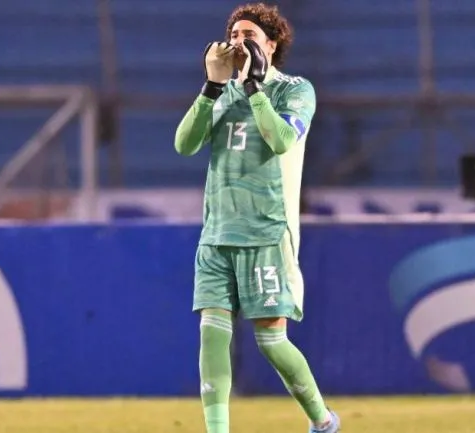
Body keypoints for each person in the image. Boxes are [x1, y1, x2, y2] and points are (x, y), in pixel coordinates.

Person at [173, 3, 340, 433]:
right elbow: (184, 146)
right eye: (233, 35)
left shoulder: (295, 89)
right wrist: (212, 86)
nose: (239, 43)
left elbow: (282, 140)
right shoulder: (221, 91)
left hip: (267, 231)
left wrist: (254, 87)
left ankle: (322, 420)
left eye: (249, 36)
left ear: (271, 43)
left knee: (272, 342)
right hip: (217, 232)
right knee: (212, 336)